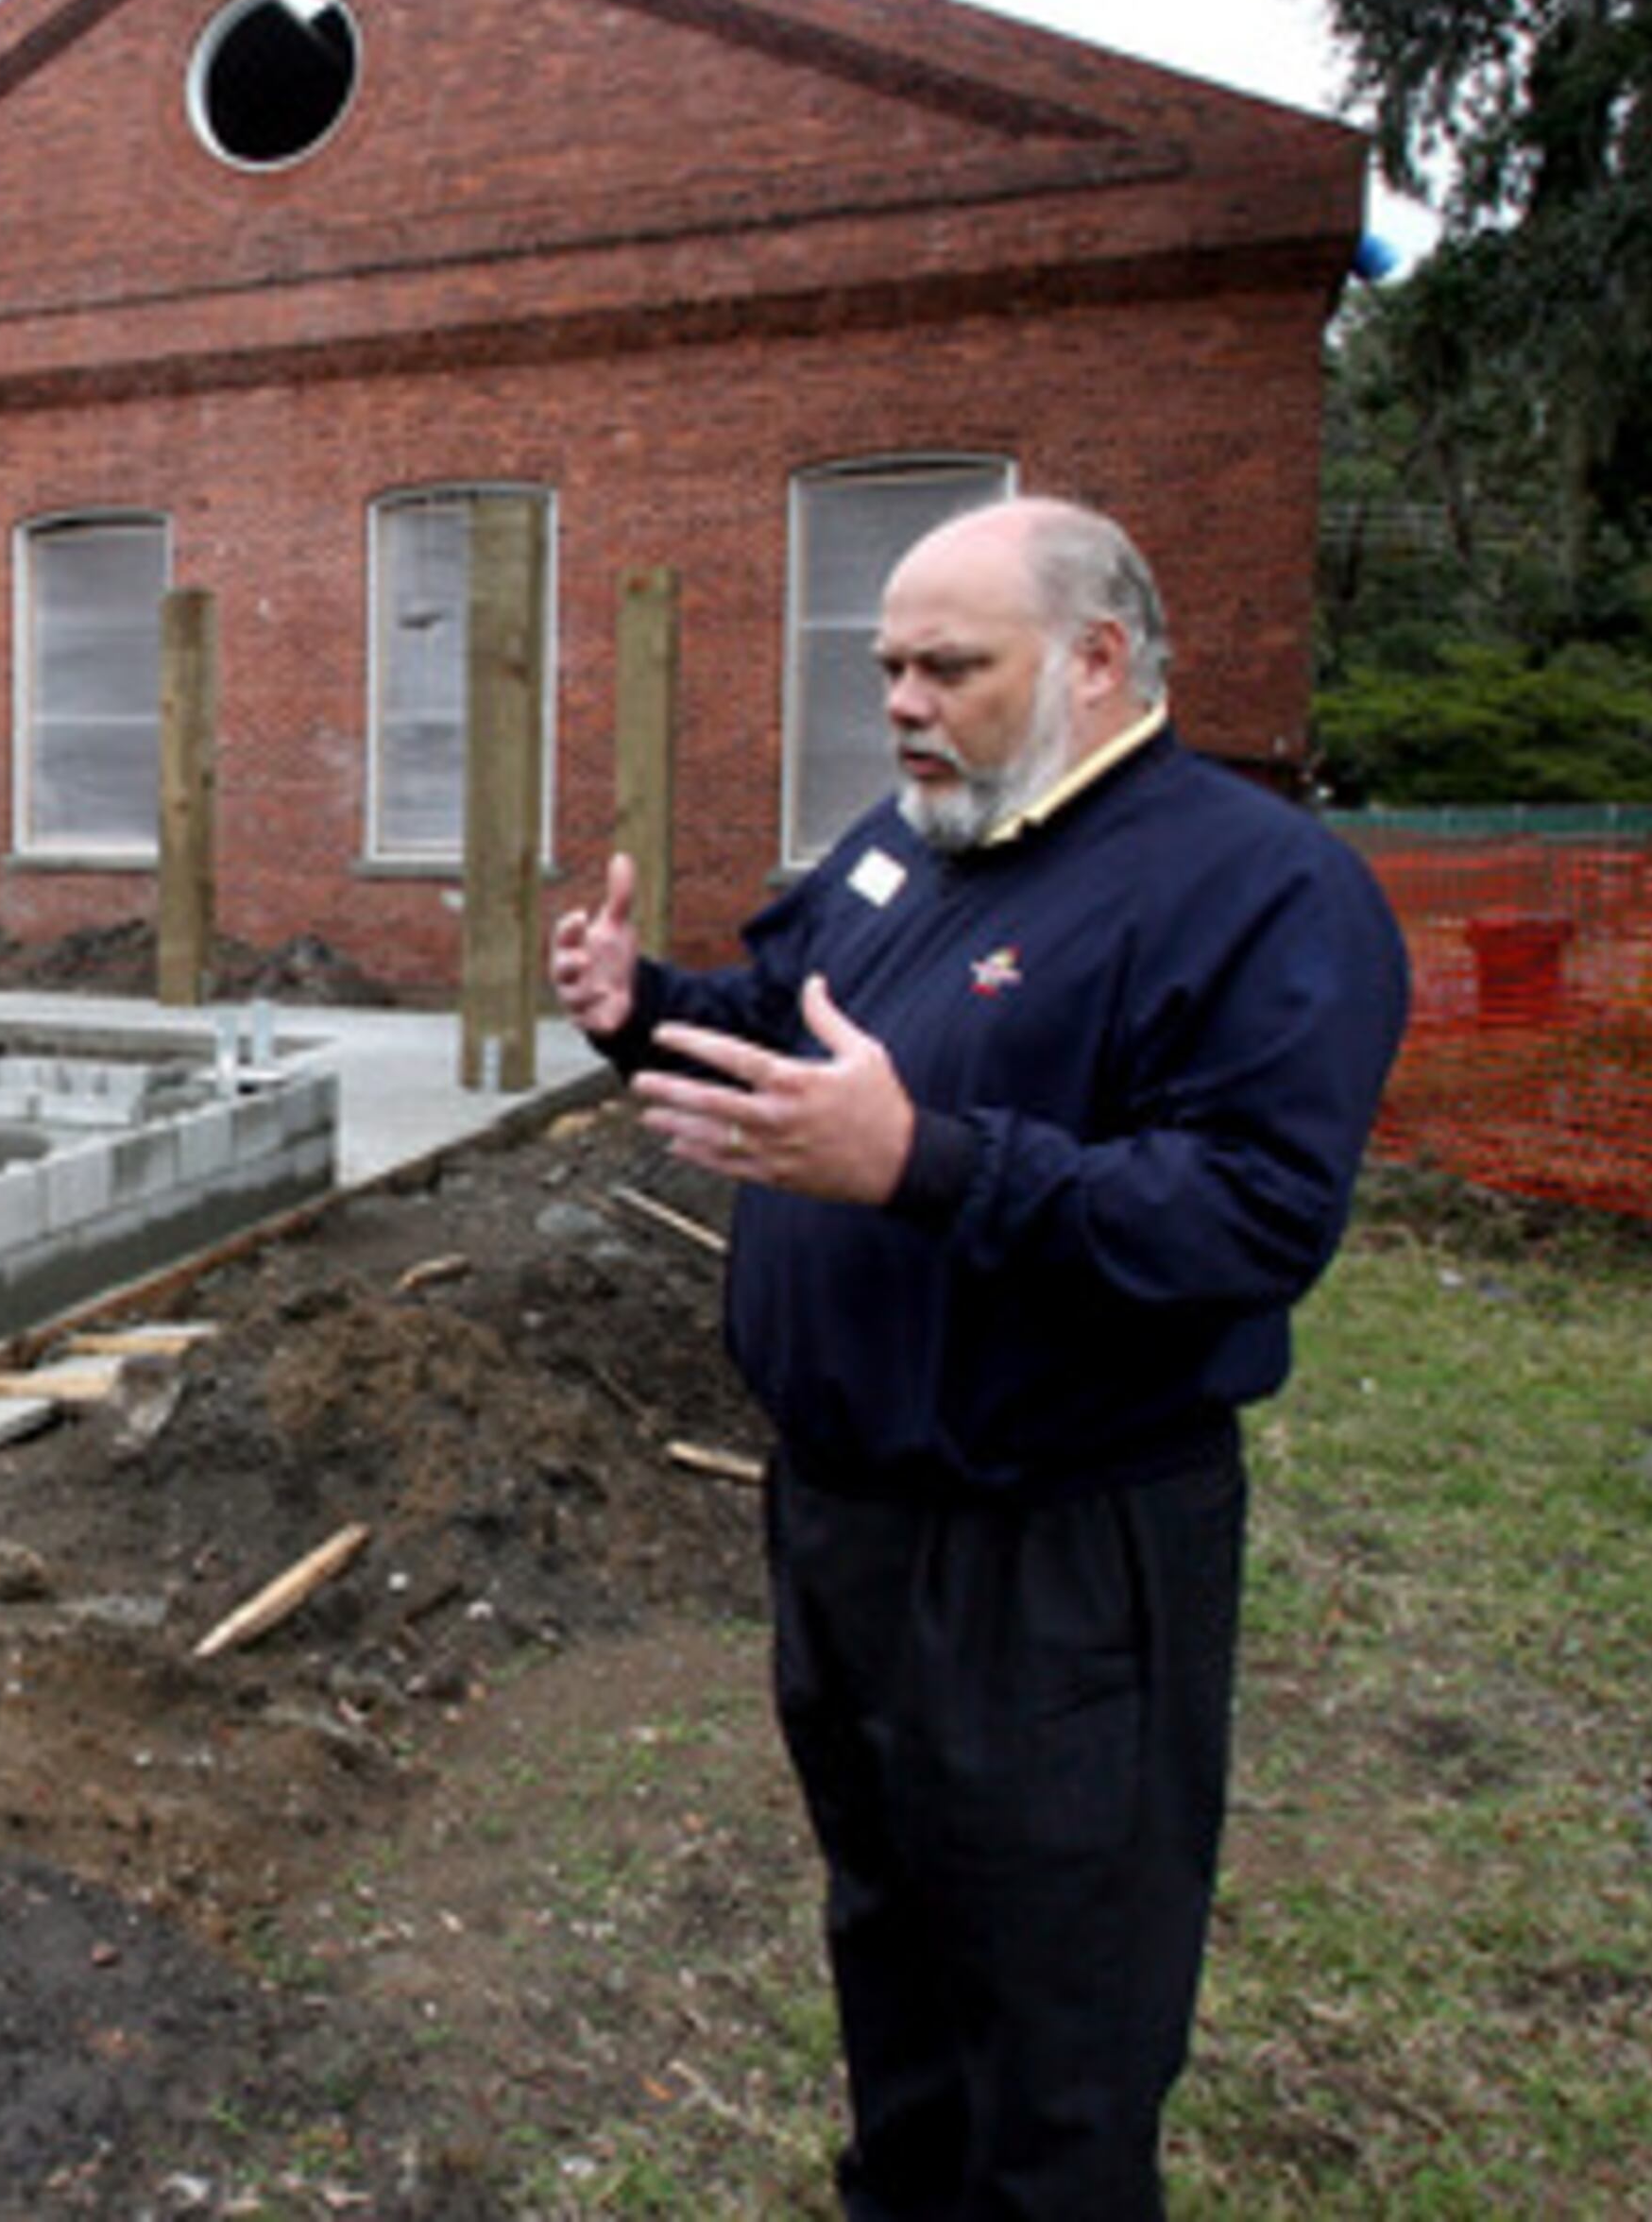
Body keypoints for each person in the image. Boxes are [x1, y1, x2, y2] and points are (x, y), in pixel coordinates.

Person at [548, 496, 1409, 2218]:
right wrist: (642, 1000)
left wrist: (922, 1160)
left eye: (951, 665)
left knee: (1056, 2014)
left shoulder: (1256, 888)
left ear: (1097, 662)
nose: (904, 704)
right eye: (889, 667)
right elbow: (781, 1011)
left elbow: (1250, 1217)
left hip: (1058, 1554)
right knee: (892, 1943)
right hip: (849, 1523)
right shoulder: (905, 846)